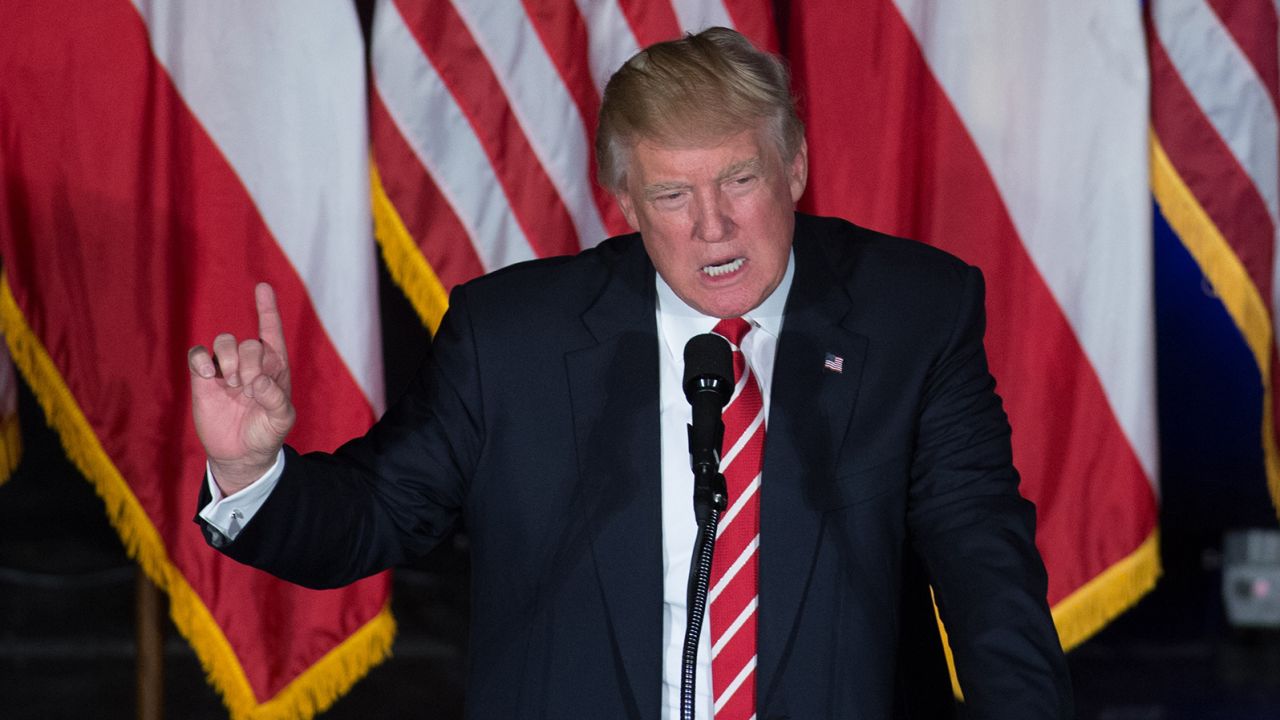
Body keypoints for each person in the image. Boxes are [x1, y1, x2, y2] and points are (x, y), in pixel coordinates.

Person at [189, 27, 1072, 719]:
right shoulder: (512, 339)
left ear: (794, 166)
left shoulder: (911, 314)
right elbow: (373, 516)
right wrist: (248, 471)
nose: (713, 227)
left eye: (739, 180)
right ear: (625, 202)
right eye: (673, 196)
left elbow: (985, 573)